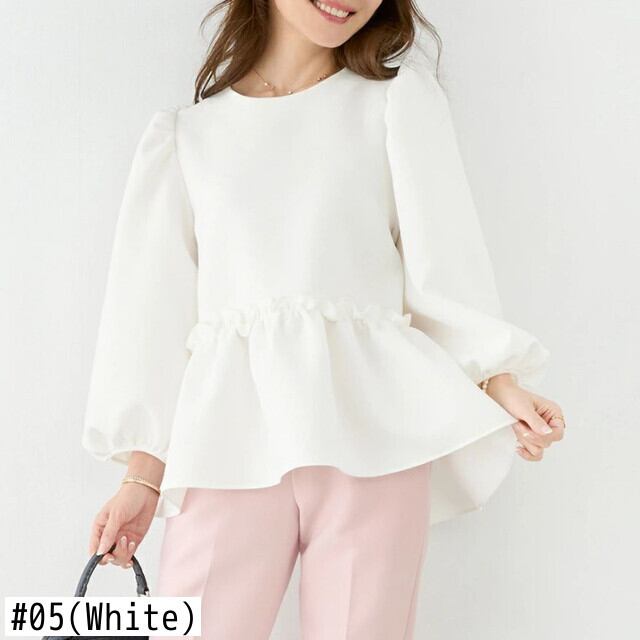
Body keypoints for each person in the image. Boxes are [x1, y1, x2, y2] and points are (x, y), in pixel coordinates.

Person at [82, 0, 566, 637]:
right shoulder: (187, 137)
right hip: (229, 442)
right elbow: (154, 317)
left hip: (374, 437)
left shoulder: (394, 105)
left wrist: (498, 379)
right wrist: (142, 478)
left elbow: (444, 268)